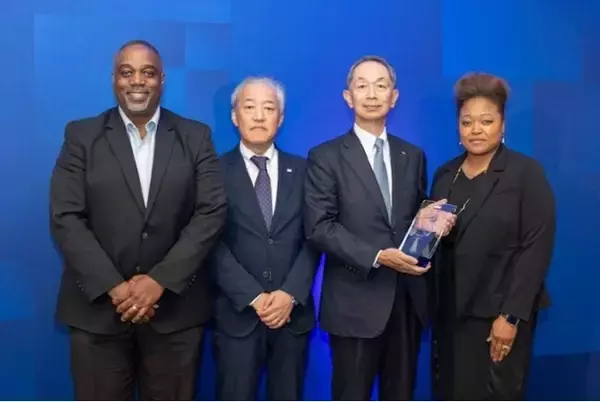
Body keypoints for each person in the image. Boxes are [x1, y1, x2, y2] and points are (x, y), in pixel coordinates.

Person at [49, 39, 227, 400]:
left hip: (175, 314)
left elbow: (211, 211)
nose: (137, 81)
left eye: (147, 73)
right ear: (114, 79)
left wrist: (159, 281)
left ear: (162, 80)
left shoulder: (195, 137)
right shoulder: (81, 136)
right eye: (126, 72)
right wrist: (115, 287)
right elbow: (66, 216)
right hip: (98, 314)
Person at [304, 55, 453, 400]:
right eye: (362, 85)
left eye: (381, 85)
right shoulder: (325, 156)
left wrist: (434, 221)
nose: (372, 94)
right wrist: (377, 256)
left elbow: (414, 217)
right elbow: (319, 226)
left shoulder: (412, 155)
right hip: (354, 304)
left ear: (394, 97)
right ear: (348, 97)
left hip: (406, 303)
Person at [429, 72, 556, 400]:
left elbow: (536, 248)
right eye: (467, 122)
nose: (476, 129)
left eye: (486, 121)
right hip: (450, 318)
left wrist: (510, 316)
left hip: (498, 319)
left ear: (502, 125)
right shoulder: (444, 175)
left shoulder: (525, 173)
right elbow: (432, 244)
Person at [211, 77, 320, 400]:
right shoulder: (212, 172)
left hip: (292, 317)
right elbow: (208, 243)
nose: (259, 116)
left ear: (280, 118)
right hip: (237, 315)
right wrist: (254, 297)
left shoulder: (306, 171)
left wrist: (289, 294)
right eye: (250, 107)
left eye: (269, 108)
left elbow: (315, 237)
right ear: (235, 116)